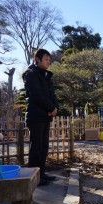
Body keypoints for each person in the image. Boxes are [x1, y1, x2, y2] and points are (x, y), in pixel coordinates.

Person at [23, 48, 59, 186]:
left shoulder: (46, 75)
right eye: (46, 59)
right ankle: (34, 178)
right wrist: (50, 108)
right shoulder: (31, 75)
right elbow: (37, 95)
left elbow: (52, 95)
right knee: (36, 148)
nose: (48, 61)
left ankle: (41, 174)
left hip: (45, 116)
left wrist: (55, 108)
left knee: (44, 147)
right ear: (37, 59)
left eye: (49, 59)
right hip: (35, 116)